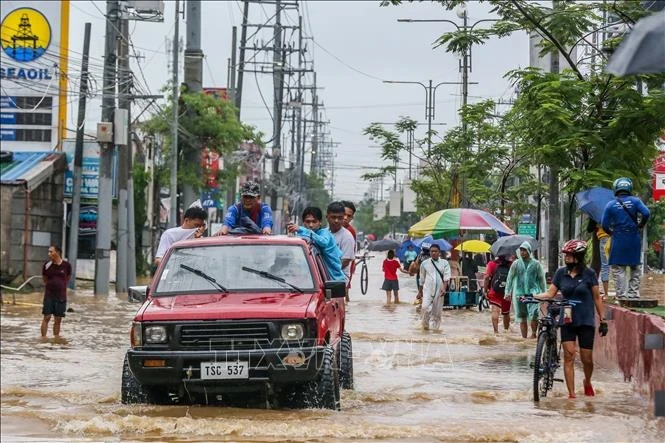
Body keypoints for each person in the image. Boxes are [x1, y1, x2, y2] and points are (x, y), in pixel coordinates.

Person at [534, 240, 607, 399]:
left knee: (587, 359)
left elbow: (597, 298)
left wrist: (603, 319)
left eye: (569, 255)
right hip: (567, 318)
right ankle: (572, 395)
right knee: (569, 355)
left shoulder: (589, 274)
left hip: (586, 319)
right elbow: (550, 293)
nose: (566, 258)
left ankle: (587, 381)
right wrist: (532, 296)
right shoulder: (561, 273)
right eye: (565, 255)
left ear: (578, 257)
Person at [601, 177, 650, 299]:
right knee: (635, 266)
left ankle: (621, 295)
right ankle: (633, 294)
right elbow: (646, 213)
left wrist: (611, 233)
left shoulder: (610, 205)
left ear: (616, 188)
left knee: (618, 268)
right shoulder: (636, 201)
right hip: (633, 238)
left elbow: (604, 224)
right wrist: (641, 224)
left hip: (618, 238)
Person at [287, 206, 345, 281]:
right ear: (303, 222)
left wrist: (302, 229)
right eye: (307, 222)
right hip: (313, 280)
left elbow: (323, 242)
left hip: (334, 280)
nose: (311, 225)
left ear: (320, 222)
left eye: (314, 222)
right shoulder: (304, 236)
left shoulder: (324, 233)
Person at [505, 241, 547, 338]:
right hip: (519, 294)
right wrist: (507, 292)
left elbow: (541, 279)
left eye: (524, 250)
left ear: (529, 251)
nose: (522, 252)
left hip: (534, 293)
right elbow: (510, 279)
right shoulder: (516, 264)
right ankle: (524, 338)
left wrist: (544, 293)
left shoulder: (536, 264)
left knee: (534, 314)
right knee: (522, 317)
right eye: (521, 250)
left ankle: (533, 333)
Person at [41, 245, 72, 339]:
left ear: (57, 252)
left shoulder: (67, 265)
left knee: (58, 319)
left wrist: (60, 285)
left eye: (51, 252)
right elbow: (45, 279)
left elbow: (67, 278)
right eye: (49, 252)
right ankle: (43, 338)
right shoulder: (47, 265)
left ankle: (56, 338)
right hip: (49, 295)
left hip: (61, 296)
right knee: (46, 317)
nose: (49, 254)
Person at [419, 244, 451, 330]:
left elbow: (446, 277)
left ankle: (435, 331)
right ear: (429, 252)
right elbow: (422, 279)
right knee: (425, 307)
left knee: (437, 312)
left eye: (435, 251)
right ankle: (425, 327)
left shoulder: (445, 263)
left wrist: (444, 288)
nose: (433, 253)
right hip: (428, 289)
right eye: (431, 251)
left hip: (439, 290)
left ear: (439, 253)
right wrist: (420, 292)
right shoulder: (424, 264)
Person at [327, 202, 355, 284]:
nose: (336, 220)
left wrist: (327, 271)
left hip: (338, 278)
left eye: (339, 218)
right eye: (333, 217)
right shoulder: (323, 233)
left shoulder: (347, 236)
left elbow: (345, 261)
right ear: (327, 217)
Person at [484, 254, 513, 334]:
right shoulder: (511, 264)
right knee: (506, 313)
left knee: (495, 311)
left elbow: (486, 277)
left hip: (494, 291)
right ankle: (506, 332)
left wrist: (485, 290)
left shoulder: (492, 264)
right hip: (507, 293)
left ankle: (496, 332)